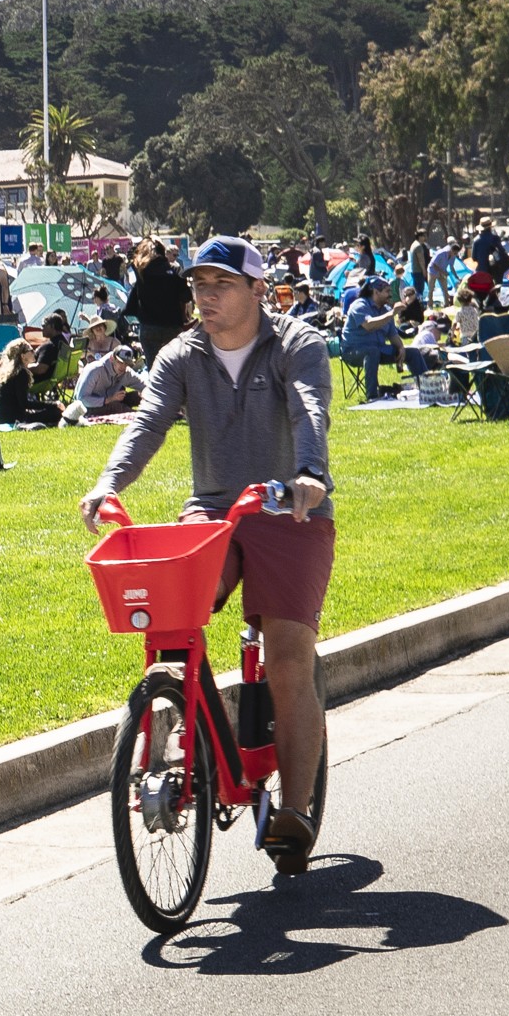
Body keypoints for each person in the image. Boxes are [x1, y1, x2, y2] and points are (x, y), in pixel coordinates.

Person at [77, 235, 334, 869]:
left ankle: (296, 812)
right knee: (172, 618)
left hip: (288, 508)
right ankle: (175, 721)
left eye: (220, 285)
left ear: (257, 290)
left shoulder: (296, 344)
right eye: (198, 285)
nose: (206, 297)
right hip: (216, 510)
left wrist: (308, 474)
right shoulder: (181, 355)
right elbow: (149, 421)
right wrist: (108, 484)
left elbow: (308, 409)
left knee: (288, 660)